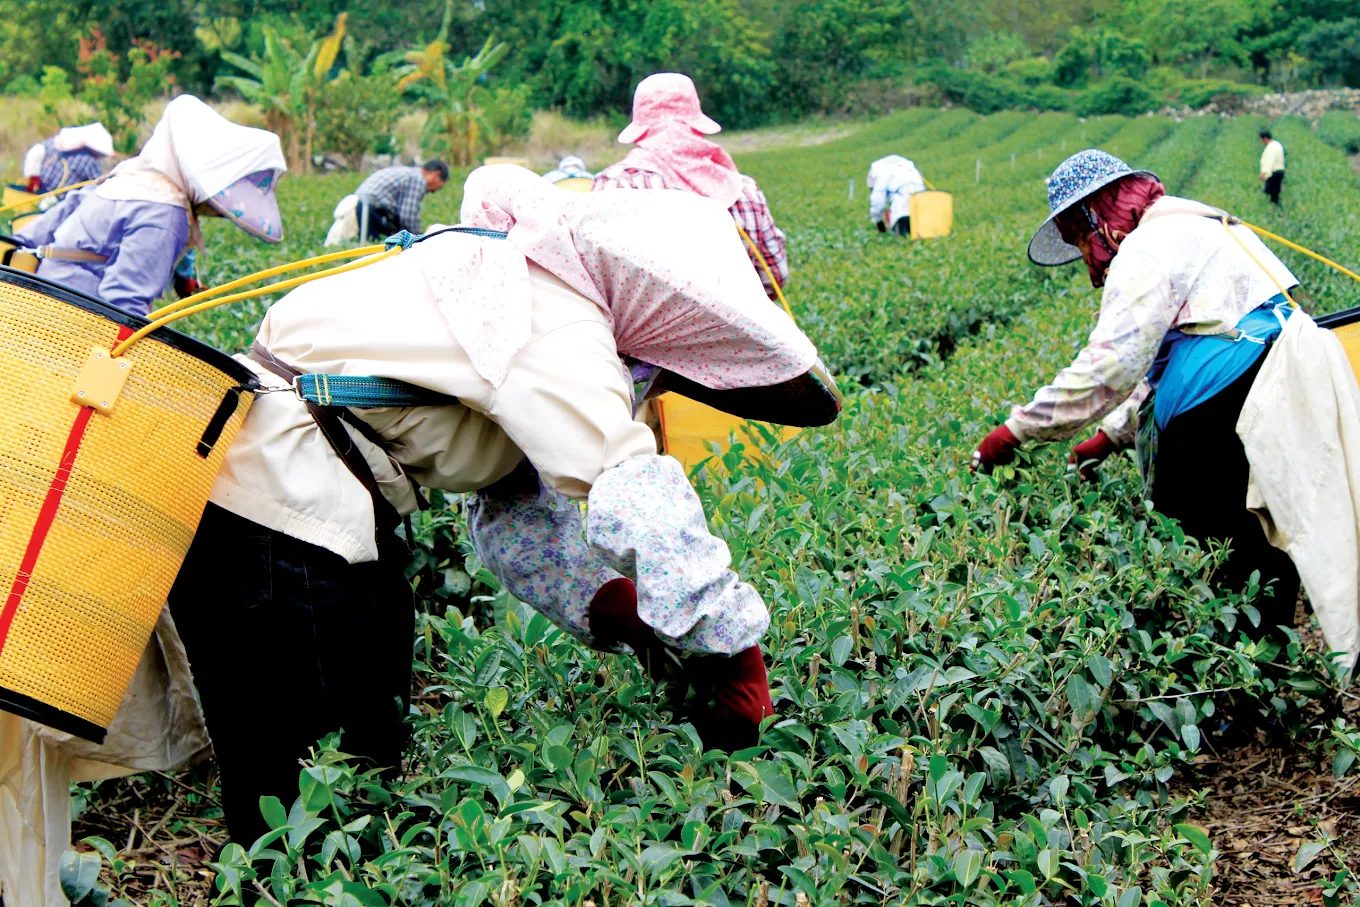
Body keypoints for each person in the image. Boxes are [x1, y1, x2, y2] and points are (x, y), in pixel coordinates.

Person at [167, 164, 840, 845]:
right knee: (302, 777)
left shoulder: (512, 289)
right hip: (275, 513)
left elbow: (514, 514)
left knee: (373, 729)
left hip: (311, 504)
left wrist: (621, 611)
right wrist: (732, 650)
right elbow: (633, 489)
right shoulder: (551, 319)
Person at [971, 148, 1307, 641]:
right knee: (1262, 532)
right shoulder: (1196, 223)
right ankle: (1268, 662)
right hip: (1279, 377)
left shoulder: (1149, 244)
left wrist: (1016, 430)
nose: (1086, 255)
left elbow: (1114, 364)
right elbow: (1177, 352)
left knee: (1211, 537)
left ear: (1099, 213)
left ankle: (1233, 670)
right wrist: (1110, 437)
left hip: (1226, 400)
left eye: (1080, 237)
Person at [14, 96, 285, 316]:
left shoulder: (128, 177)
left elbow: (45, 225)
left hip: (41, 297)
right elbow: (123, 301)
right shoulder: (165, 214)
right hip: (76, 317)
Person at [593, 72, 789, 301]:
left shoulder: (616, 187)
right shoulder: (744, 191)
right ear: (696, 124)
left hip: (647, 336)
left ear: (641, 129)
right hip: (734, 335)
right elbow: (774, 277)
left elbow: (599, 281)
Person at [20, 122, 114, 194]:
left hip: (39, 193)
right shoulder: (89, 162)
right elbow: (99, 186)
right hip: (59, 203)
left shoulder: (51, 146)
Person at [867, 155, 927, 236]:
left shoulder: (882, 174)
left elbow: (877, 200)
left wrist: (878, 220)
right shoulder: (906, 167)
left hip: (901, 204)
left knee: (903, 236)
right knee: (919, 234)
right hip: (920, 199)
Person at [1259, 129, 1285, 207]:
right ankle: (1276, 209)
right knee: (1274, 193)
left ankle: (1276, 209)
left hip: (1274, 173)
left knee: (1271, 194)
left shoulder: (1272, 147)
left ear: (1265, 138)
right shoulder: (1277, 145)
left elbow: (1270, 161)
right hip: (1279, 172)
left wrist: (1264, 173)